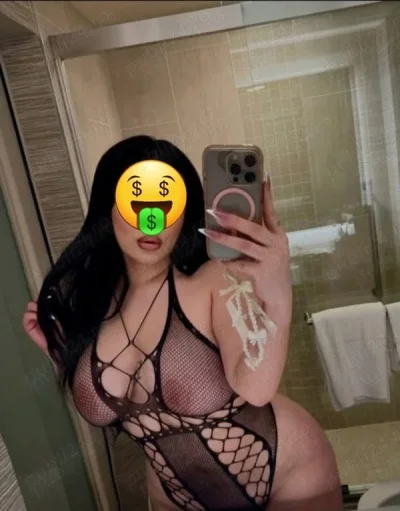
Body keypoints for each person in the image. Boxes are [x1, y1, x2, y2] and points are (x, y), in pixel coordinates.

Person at [23, 136, 342, 511]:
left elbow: (257, 389)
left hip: (287, 477)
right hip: (173, 498)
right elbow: (122, 407)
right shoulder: (93, 303)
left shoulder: (214, 279)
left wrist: (277, 296)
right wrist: (67, 357)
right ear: (109, 208)